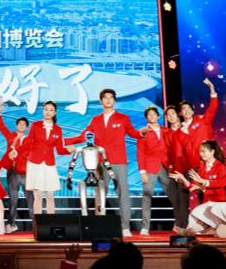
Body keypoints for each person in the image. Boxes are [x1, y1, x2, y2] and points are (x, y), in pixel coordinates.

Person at [65, 89, 146, 236]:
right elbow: (83, 136)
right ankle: (99, 225)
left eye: (111, 97)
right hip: (101, 161)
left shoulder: (123, 118)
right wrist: (63, 141)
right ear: (101, 101)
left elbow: (133, 133)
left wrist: (143, 132)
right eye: (105, 97)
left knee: (123, 193)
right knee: (100, 194)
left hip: (119, 160)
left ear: (114, 100)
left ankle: (125, 227)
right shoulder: (95, 119)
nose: (108, 100)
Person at [23, 101, 74, 215]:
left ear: (55, 113)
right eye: (46, 109)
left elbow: (60, 150)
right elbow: (28, 143)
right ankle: (37, 222)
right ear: (43, 111)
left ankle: (51, 221)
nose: (48, 112)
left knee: (50, 195)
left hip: (49, 164)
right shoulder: (35, 125)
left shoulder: (58, 129)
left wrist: (68, 150)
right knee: (38, 195)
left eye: (51, 110)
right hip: (35, 163)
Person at [170, 140, 226, 235]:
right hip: (207, 203)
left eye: (203, 151)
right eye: (200, 151)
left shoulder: (220, 167)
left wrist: (203, 185)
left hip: (218, 203)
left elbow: (220, 185)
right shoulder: (202, 167)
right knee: (197, 217)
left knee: (198, 213)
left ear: (212, 152)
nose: (201, 154)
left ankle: (189, 231)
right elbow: (194, 186)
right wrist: (184, 179)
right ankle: (191, 231)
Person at [137, 106, 177, 236]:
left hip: (166, 167)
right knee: (147, 197)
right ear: (146, 118)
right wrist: (142, 171)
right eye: (149, 115)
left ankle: (179, 224)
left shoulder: (166, 130)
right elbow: (140, 152)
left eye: (154, 114)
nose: (152, 116)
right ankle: (145, 227)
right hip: (150, 167)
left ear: (158, 116)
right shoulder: (143, 132)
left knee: (174, 196)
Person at [0, 107, 34, 233]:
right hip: (12, 171)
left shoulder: (29, 139)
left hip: (26, 172)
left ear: (26, 127)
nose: (21, 126)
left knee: (30, 199)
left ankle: (36, 224)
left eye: (24, 124)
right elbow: (2, 128)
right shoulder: (11, 136)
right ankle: (11, 224)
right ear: (16, 125)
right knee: (13, 200)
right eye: (20, 124)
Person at [179, 79, 219, 171]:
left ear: (193, 111)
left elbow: (212, 108)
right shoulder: (180, 131)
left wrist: (212, 88)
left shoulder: (202, 120)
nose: (187, 111)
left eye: (189, 108)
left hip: (209, 162)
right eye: (184, 109)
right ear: (180, 113)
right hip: (193, 166)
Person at [164, 104, 191, 233]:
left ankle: (185, 224)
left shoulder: (186, 128)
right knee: (177, 198)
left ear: (178, 114)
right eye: (168, 115)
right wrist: (170, 168)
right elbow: (167, 152)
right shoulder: (167, 133)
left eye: (173, 113)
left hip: (189, 166)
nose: (171, 116)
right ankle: (180, 223)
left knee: (185, 197)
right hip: (175, 169)